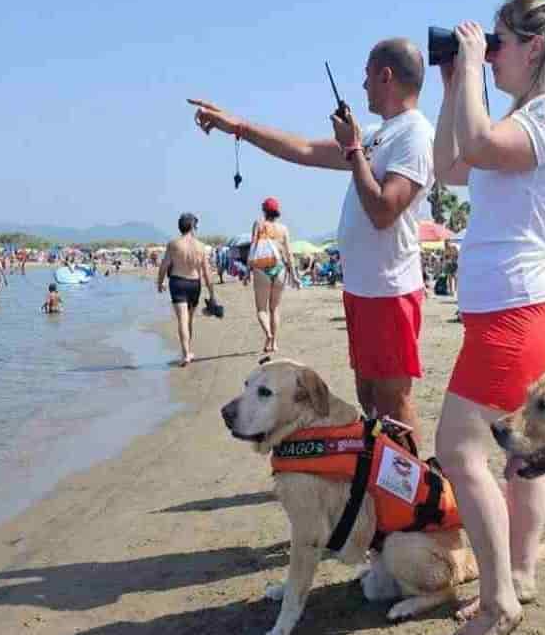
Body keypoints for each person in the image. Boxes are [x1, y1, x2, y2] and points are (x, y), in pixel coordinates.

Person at [433, 0, 545, 635]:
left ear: (535, 48)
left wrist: (470, 70)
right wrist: (452, 81)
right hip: (506, 311)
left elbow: (479, 141)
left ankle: (498, 602)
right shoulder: (526, 115)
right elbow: (449, 165)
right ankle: (517, 574)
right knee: (522, 457)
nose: (489, 55)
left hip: (516, 313)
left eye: (497, 44)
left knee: (461, 450)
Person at [190, 37, 434, 435]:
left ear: (385, 76)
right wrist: (239, 126)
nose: (362, 86)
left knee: (393, 401)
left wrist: (354, 148)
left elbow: (384, 211)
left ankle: (407, 486)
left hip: (389, 291)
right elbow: (302, 149)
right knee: (369, 396)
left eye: (367, 76)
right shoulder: (380, 133)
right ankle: (381, 478)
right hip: (362, 289)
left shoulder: (415, 135)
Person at [157, 213, 216, 366]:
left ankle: (185, 354)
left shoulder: (173, 244)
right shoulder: (201, 246)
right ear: (191, 226)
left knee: (182, 319)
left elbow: (164, 265)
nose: (196, 228)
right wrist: (211, 293)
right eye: (195, 226)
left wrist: (160, 282)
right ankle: (188, 350)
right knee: (189, 319)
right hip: (194, 284)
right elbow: (207, 272)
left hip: (177, 283)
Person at [249, 197, 299, 354]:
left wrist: (246, 270)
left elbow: (253, 247)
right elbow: (289, 253)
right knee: (275, 308)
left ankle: (268, 335)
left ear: (264, 210)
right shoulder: (283, 229)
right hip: (279, 268)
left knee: (261, 309)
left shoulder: (258, 224)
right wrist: (294, 275)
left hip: (261, 268)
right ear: (277, 211)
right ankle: (274, 343)